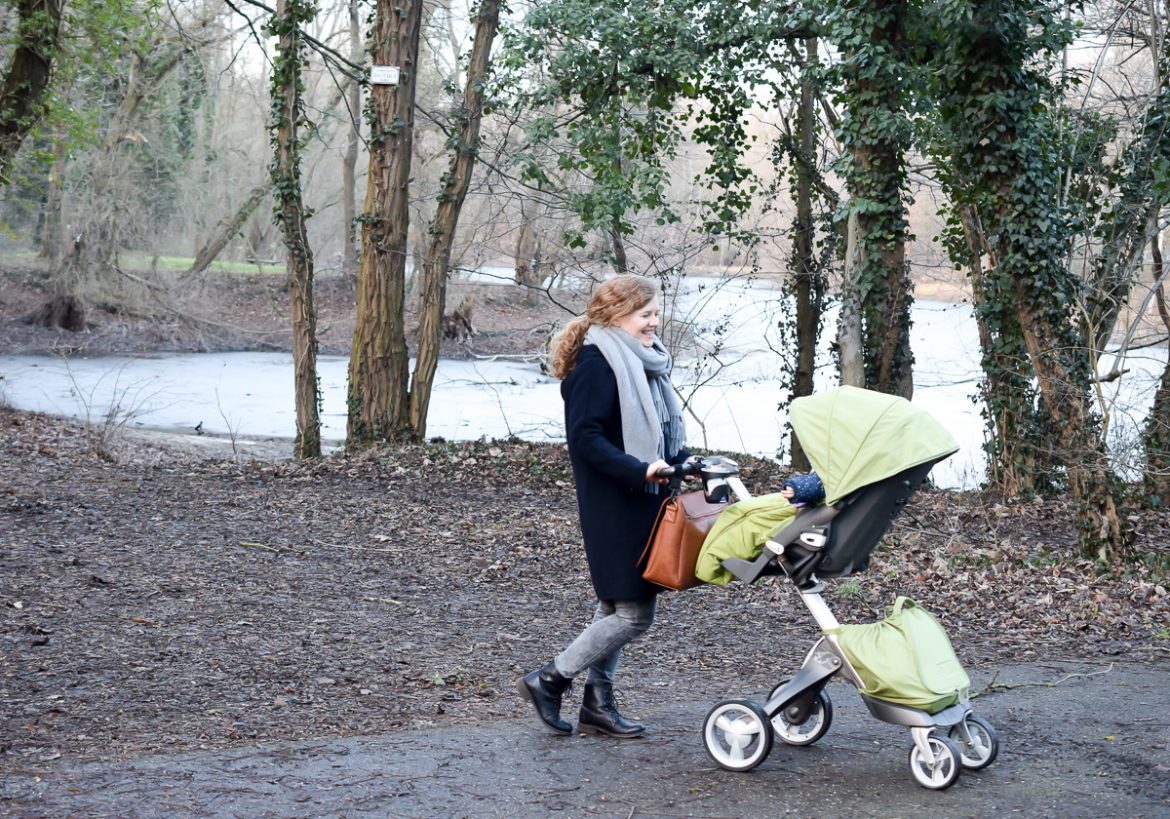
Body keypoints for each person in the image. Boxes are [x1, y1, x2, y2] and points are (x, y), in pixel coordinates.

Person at [517, 275, 690, 738]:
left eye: (656, 313)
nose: (655, 322)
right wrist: (640, 471)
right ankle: (550, 679)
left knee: (613, 607)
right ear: (616, 316)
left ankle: (597, 705)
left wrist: (681, 462)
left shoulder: (644, 362)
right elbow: (586, 441)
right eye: (645, 315)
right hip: (616, 502)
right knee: (634, 615)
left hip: (645, 499)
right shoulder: (596, 364)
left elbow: (655, 433)